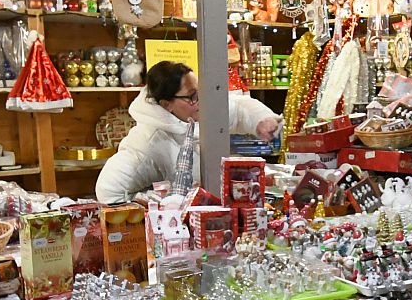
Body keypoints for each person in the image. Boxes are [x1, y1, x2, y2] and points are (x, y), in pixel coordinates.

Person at [95, 61, 280, 204]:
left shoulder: (197, 110)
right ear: (166, 105)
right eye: (192, 96)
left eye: (201, 91)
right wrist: (158, 204)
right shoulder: (147, 141)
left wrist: (261, 120)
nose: (201, 100)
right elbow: (108, 191)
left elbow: (237, 108)